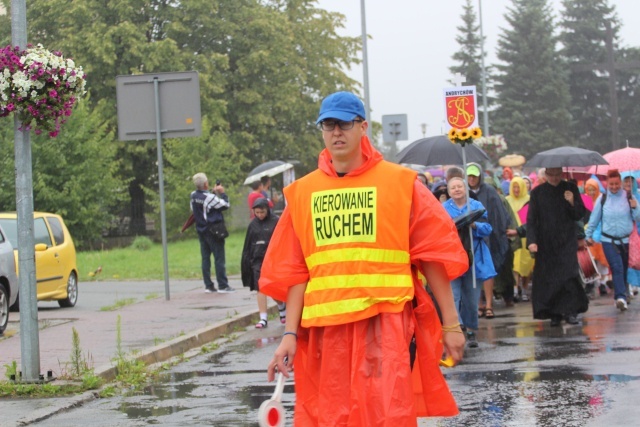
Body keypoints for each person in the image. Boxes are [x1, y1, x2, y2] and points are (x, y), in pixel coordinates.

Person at [258, 91, 469, 425]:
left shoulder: (399, 184)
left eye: (344, 124)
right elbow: (296, 271)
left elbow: (431, 256)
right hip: (327, 334)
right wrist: (289, 335)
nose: (337, 132)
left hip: (384, 326)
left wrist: (452, 324)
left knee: (387, 414)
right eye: (329, 125)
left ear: (363, 127)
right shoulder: (302, 193)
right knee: (331, 418)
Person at [527, 167, 588, 326]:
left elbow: (579, 214)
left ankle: (571, 311)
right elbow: (532, 219)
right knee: (550, 278)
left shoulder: (570, 188)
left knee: (569, 275)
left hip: (566, 239)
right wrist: (531, 241)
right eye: (551, 175)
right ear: (546, 175)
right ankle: (554, 313)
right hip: (546, 242)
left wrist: (572, 202)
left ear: (562, 174)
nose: (554, 178)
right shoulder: (537, 193)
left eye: (557, 175)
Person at [443, 177, 497, 347]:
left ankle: (472, 328)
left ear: (465, 188)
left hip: (474, 258)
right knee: (454, 296)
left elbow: (488, 228)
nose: (457, 189)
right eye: (453, 187)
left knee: (471, 298)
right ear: (449, 191)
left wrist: (474, 226)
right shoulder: (443, 209)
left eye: (460, 186)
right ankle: (458, 327)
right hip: (452, 257)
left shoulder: (476, 206)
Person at [585, 169, 640, 312]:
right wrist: (588, 235)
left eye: (617, 184)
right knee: (617, 267)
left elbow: (637, 218)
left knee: (623, 268)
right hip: (608, 240)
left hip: (625, 240)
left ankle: (623, 292)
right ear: (607, 184)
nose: (614, 187)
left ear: (620, 183)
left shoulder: (629, 197)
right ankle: (620, 297)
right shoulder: (602, 199)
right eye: (611, 184)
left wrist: (635, 208)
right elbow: (594, 219)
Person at [466, 163, 510, 320]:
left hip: (487, 237)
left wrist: (499, 231)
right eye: (469, 176)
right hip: (470, 238)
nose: (472, 179)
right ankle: (478, 304)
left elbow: (499, 214)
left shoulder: (490, 192)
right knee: (474, 272)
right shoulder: (463, 193)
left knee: (487, 272)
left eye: (474, 176)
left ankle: (489, 305)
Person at [241, 198, 286, 328]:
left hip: (273, 260)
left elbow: (282, 239)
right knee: (260, 287)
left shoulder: (276, 221)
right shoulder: (253, 225)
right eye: (257, 212)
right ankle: (263, 318)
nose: (260, 215)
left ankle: (281, 306)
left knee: (272, 287)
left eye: (262, 212)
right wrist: (247, 261)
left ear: (267, 210)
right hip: (257, 260)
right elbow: (248, 244)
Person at [190, 173, 234, 293]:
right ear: (205, 184)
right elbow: (225, 204)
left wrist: (213, 193)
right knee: (219, 258)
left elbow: (198, 208)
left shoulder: (193, 195)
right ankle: (223, 285)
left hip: (201, 230)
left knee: (205, 259)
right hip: (213, 231)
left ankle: (208, 285)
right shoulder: (209, 197)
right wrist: (222, 192)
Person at [506, 177, 534, 302]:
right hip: (512, 236)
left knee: (527, 264)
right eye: (514, 187)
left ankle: (525, 288)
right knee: (515, 263)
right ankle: (515, 289)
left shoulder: (530, 200)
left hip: (526, 236)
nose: (516, 190)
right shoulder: (507, 200)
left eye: (518, 187)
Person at [583, 178, 611, 297]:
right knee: (590, 261)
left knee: (603, 262)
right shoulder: (584, 200)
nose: (591, 192)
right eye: (589, 190)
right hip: (589, 234)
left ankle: (602, 283)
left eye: (593, 189)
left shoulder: (602, 199)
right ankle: (592, 284)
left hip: (602, 234)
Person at [622, 173, 640, 298]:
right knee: (624, 261)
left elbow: (638, 217)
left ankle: (633, 285)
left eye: (631, 181)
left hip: (634, 233)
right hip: (621, 234)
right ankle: (626, 287)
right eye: (626, 180)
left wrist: (635, 207)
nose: (629, 183)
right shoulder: (617, 197)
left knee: (634, 260)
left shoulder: (636, 196)